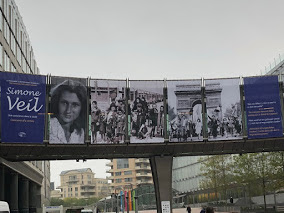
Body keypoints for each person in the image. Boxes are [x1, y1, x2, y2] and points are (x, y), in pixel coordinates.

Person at [49, 80, 87, 144]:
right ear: (57, 103)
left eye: (75, 105)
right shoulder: (48, 126)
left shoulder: (80, 132)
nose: (68, 110)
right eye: (64, 103)